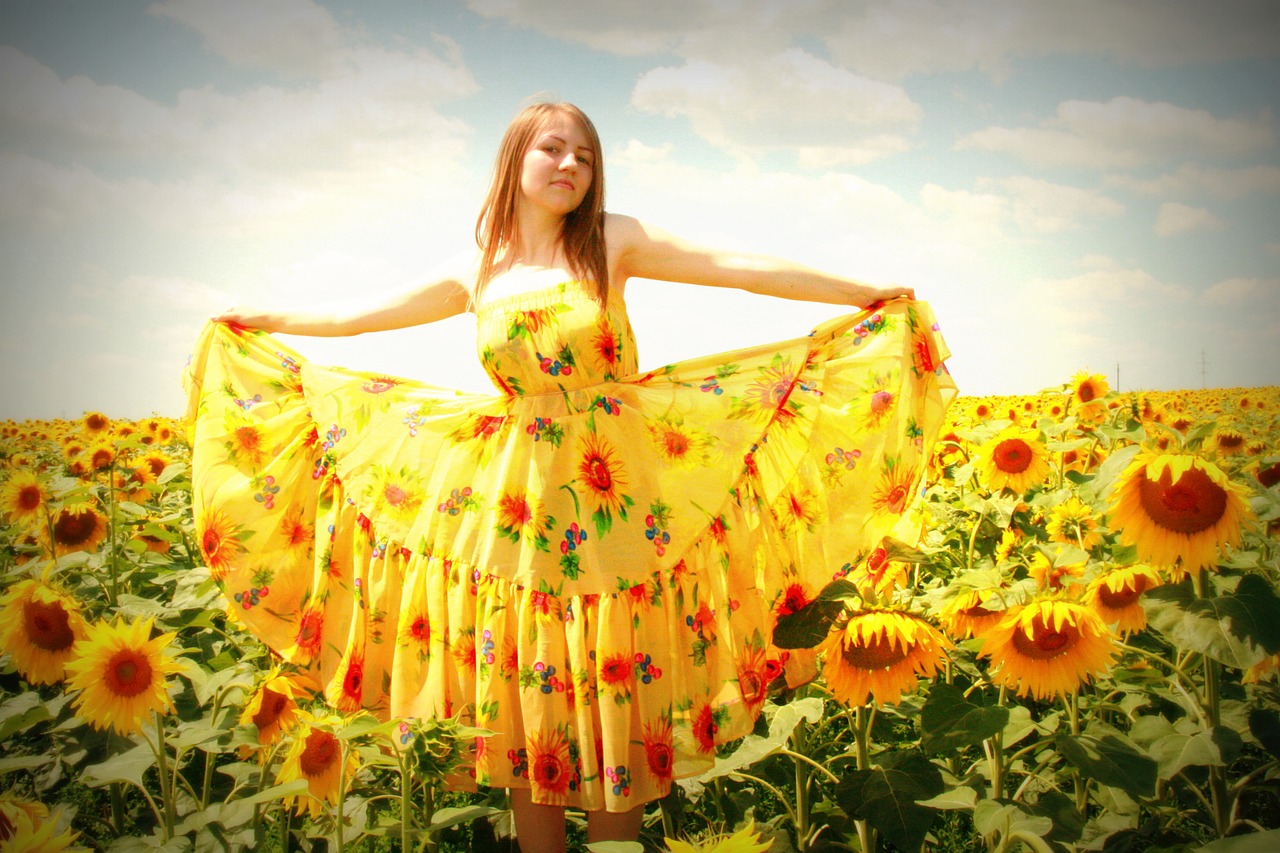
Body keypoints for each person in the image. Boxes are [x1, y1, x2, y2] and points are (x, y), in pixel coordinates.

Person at [189, 101, 955, 851]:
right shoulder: (477, 268)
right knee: (532, 683)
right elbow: (362, 316)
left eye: (586, 156)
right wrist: (266, 317)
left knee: (617, 681)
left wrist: (861, 291)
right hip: (519, 503)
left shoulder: (610, 243)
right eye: (553, 149)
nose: (571, 166)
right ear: (514, 160)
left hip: (616, 502)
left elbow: (737, 265)